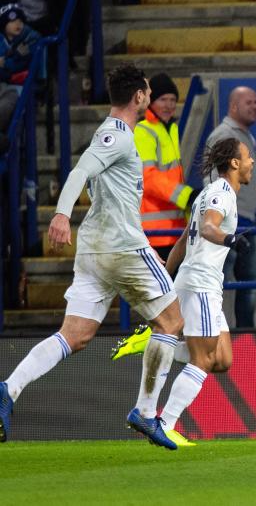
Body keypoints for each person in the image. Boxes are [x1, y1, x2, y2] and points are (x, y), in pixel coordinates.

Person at [0, 64, 186, 449]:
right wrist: (61, 213)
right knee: (171, 323)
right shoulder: (116, 135)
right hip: (123, 247)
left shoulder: (121, 135)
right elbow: (79, 170)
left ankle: (8, 389)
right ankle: (146, 413)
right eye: (148, 93)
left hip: (94, 251)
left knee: (76, 335)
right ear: (137, 97)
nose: (149, 98)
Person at [143, 137, 255, 447]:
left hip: (199, 284)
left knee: (222, 360)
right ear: (234, 163)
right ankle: (165, 423)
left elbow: (182, 240)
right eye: (247, 158)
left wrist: (167, 279)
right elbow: (208, 228)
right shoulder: (222, 194)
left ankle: (155, 346)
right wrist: (231, 240)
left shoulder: (207, 192)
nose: (251, 163)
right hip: (201, 284)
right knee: (204, 360)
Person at [206, 86, 256, 329]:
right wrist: (224, 221)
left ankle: (245, 338)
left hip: (246, 222)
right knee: (227, 283)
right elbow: (212, 179)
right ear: (233, 106)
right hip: (229, 224)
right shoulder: (224, 135)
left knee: (248, 284)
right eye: (248, 102)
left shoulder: (246, 136)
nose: (255, 106)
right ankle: (223, 334)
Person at [134, 72, 196, 260]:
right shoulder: (143, 131)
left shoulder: (174, 130)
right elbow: (148, 178)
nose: (169, 105)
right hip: (154, 233)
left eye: (172, 100)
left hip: (176, 230)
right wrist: (187, 195)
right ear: (151, 101)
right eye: (163, 99)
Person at [0, 3, 40, 84]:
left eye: (20, 21)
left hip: (26, 82)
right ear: (4, 25)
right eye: (13, 21)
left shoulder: (31, 38)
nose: (18, 24)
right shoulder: (2, 39)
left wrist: (4, 64)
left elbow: (19, 65)